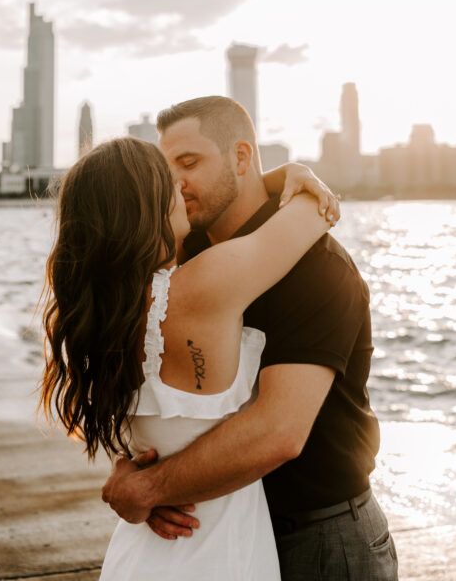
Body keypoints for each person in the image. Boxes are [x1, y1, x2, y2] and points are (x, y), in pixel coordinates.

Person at [102, 96, 398, 581]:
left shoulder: (317, 267)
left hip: (318, 536)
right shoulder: (187, 250)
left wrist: (153, 487)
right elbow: (159, 386)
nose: (174, 182)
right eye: (166, 166)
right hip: (223, 528)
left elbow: (278, 432)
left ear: (241, 158)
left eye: (189, 162)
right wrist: (133, 466)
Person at [39, 133, 337, 580]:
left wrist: (141, 486)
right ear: (144, 207)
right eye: (166, 181)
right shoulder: (204, 285)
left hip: (144, 552)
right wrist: (294, 173)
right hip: (218, 556)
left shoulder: (97, 317)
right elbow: (317, 211)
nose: (181, 188)